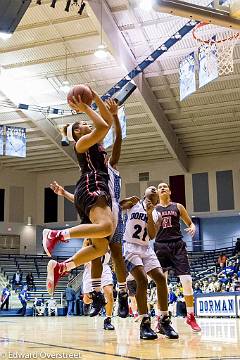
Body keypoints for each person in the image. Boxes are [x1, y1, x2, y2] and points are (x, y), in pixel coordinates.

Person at [48, 98, 128, 318]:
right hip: (96, 199)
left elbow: (116, 137)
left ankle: (64, 268)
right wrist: (94, 105)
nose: (86, 123)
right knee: (99, 248)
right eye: (80, 123)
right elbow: (104, 126)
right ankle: (96, 294)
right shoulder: (88, 154)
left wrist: (114, 118)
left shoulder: (107, 163)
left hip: (107, 206)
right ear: (76, 133)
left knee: (108, 251)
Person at [121, 186, 178, 340]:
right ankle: (144, 322)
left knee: (160, 279)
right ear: (144, 194)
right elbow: (117, 207)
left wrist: (148, 213)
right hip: (130, 247)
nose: (153, 189)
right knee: (142, 280)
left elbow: (152, 235)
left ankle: (164, 320)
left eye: (155, 189)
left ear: (158, 197)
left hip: (146, 248)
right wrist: (127, 201)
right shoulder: (134, 203)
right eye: (151, 188)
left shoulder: (157, 215)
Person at [153, 182, 201, 332]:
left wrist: (192, 227)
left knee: (187, 281)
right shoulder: (154, 209)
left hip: (177, 245)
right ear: (157, 194)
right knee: (161, 285)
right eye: (159, 187)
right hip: (160, 246)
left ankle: (191, 316)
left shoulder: (178, 206)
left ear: (169, 191)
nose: (162, 188)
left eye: (165, 186)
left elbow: (190, 223)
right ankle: (161, 318)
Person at [82, 239, 115, 330]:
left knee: (109, 293)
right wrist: (88, 264)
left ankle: (108, 320)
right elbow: (83, 254)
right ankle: (87, 303)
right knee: (88, 299)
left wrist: (114, 265)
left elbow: (113, 253)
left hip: (104, 267)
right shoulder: (88, 238)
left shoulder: (108, 235)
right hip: (91, 268)